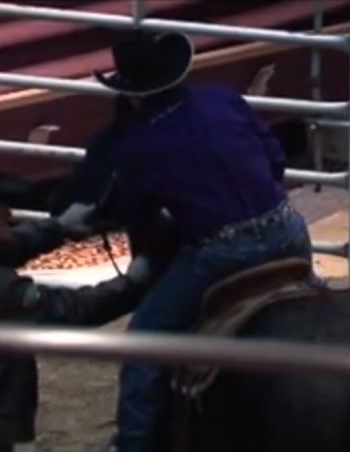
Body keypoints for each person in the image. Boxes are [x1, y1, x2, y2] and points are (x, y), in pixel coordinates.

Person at [92, 30, 319, 451]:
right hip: (288, 230)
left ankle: (133, 445)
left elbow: (139, 216)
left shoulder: (138, 143)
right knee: (317, 301)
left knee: (143, 342)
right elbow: (276, 159)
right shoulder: (223, 99)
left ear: (134, 94)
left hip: (221, 253)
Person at [0, 163, 154, 452]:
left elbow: (14, 245)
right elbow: (71, 310)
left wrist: (60, 227)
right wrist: (131, 284)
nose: (8, 214)